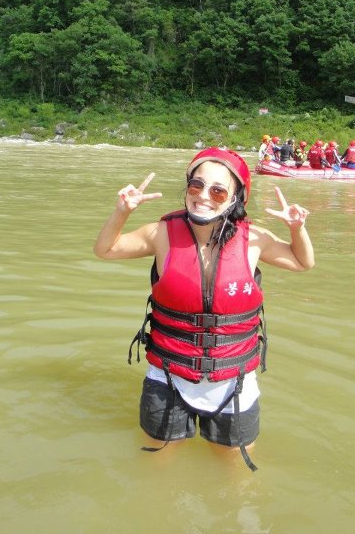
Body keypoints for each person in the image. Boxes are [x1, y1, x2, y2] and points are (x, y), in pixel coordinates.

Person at [94, 147, 314, 471]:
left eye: (217, 190)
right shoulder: (161, 234)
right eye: (196, 185)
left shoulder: (254, 239)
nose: (203, 196)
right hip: (168, 376)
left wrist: (297, 228)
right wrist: (121, 211)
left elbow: (302, 262)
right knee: (156, 466)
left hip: (234, 381)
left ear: (235, 198)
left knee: (235, 470)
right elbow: (106, 249)